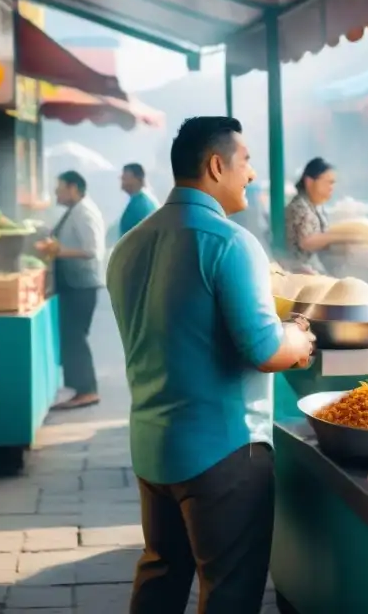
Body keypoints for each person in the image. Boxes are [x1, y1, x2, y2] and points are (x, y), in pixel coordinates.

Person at [106, 116, 315, 614]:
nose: (252, 175)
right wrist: (300, 338)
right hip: (224, 456)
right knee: (229, 591)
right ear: (216, 165)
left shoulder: (128, 245)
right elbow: (265, 350)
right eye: (245, 162)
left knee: (161, 575)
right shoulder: (229, 242)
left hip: (154, 447)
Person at [38, 170, 106, 411]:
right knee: (71, 337)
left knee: (75, 338)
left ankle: (87, 390)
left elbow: (93, 250)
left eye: (60, 187)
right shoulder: (75, 210)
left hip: (81, 285)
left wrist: (58, 251)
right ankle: (80, 388)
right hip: (73, 285)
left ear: (74, 188)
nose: (56, 191)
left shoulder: (85, 211)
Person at [285, 157, 337, 274]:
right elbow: (306, 242)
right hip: (299, 270)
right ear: (309, 181)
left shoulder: (317, 206)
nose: (331, 187)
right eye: (328, 182)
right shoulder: (299, 207)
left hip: (316, 266)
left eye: (333, 182)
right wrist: (339, 235)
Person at [118, 163, 159, 238]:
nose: (121, 178)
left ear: (137, 179)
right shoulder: (137, 200)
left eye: (125, 176)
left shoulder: (141, 203)